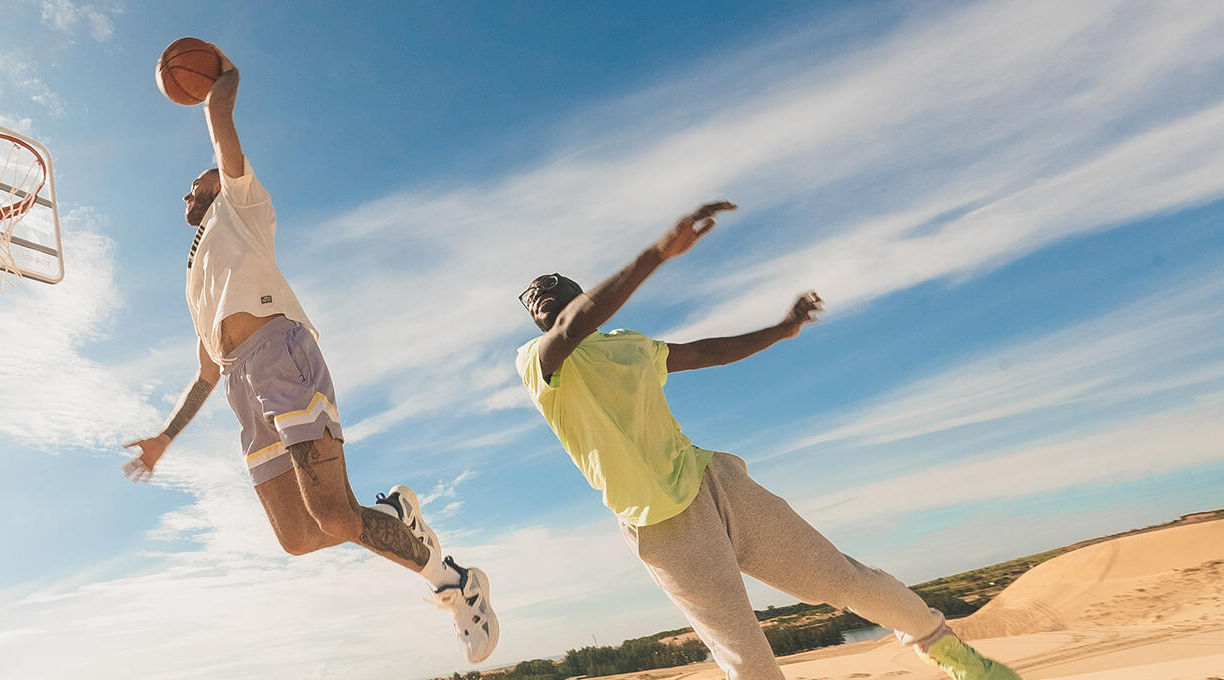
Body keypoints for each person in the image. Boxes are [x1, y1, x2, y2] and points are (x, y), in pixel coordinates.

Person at [514, 202, 1020, 680]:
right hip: (660, 526)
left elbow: (707, 352)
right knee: (744, 654)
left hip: (715, 482)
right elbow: (570, 325)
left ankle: (948, 649)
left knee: (843, 579)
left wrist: (783, 329)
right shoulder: (538, 363)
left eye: (551, 285)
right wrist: (658, 254)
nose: (538, 292)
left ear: (579, 290)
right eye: (530, 295)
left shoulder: (630, 345)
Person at [122, 42, 499, 664]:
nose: (191, 188)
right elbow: (204, 373)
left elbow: (221, 122)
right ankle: (395, 517)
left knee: (336, 517)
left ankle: (452, 582)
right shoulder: (194, 277)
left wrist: (224, 76)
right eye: (191, 185)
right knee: (300, 537)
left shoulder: (242, 206)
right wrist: (166, 437)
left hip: (280, 354)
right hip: (243, 384)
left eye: (200, 179)